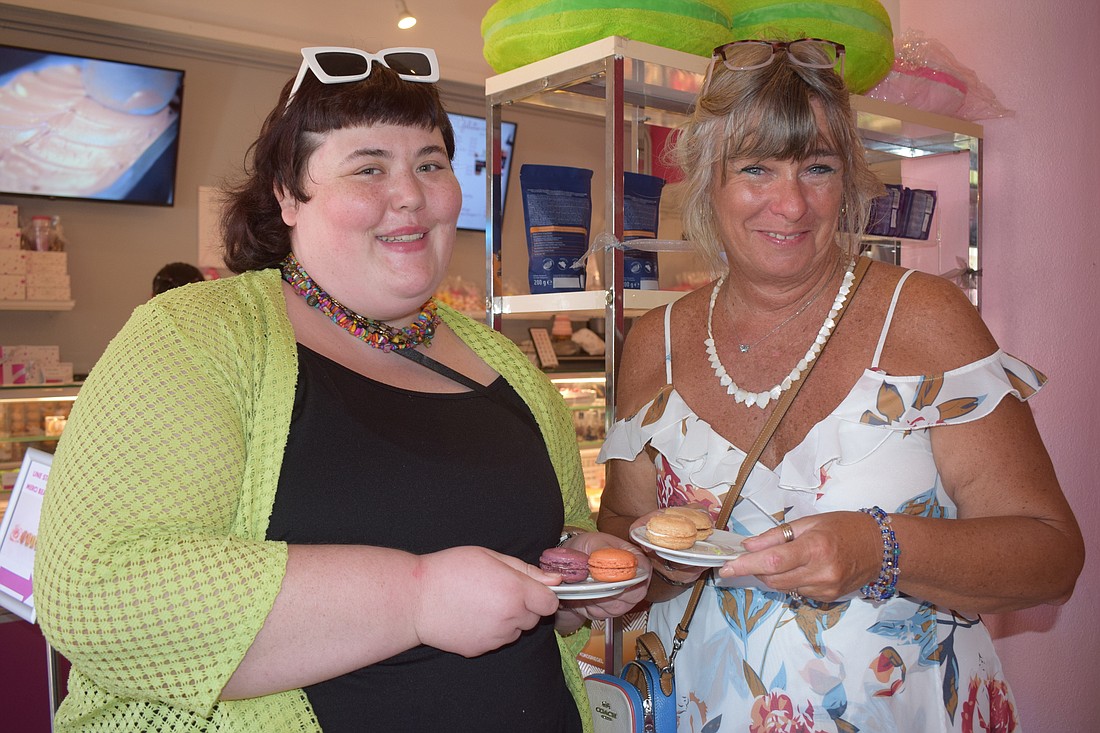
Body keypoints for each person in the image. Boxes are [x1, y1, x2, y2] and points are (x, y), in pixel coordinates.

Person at [34, 46, 649, 732]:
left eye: (430, 163)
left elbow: (541, 565)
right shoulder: (196, 336)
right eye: (368, 167)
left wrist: (576, 578)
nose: (411, 193)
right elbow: (98, 593)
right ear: (288, 195)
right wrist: (416, 598)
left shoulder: (511, 370)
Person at [596, 38, 1083, 732]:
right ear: (709, 180)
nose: (791, 204)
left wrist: (879, 550)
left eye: (816, 166)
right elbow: (625, 529)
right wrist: (644, 562)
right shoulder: (655, 345)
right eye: (757, 167)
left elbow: (1051, 555)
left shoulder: (924, 318)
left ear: (850, 178)